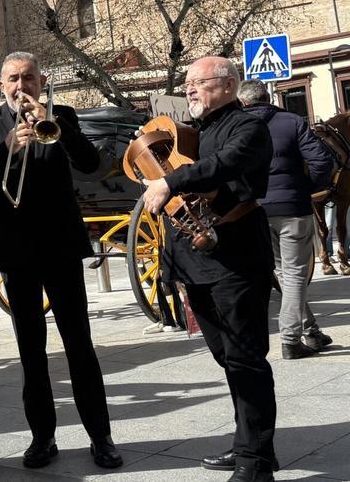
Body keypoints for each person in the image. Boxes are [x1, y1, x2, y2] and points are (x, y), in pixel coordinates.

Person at [0, 51, 122, 471]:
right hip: (15, 247)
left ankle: (101, 437)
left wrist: (58, 127)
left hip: (61, 243)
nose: (21, 86)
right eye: (13, 79)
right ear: (1, 85)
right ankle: (42, 438)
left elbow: (90, 165)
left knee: (79, 344)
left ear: (42, 80)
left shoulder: (62, 114)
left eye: (28, 78)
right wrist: (7, 146)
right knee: (30, 349)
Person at [142, 57, 276, 482]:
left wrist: (170, 182)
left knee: (245, 358)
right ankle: (250, 446)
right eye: (187, 84)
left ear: (227, 85)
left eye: (197, 83)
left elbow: (226, 164)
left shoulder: (247, 126)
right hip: (198, 261)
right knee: (227, 357)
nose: (189, 90)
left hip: (235, 257)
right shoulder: (198, 132)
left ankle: (255, 464)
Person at [239, 79, 335, 358]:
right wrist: (307, 188)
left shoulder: (235, 127)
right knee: (294, 274)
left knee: (283, 272)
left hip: (253, 210)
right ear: (268, 97)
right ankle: (291, 340)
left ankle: (312, 331)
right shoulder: (291, 121)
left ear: (243, 102)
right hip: (292, 208)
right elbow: (322, 161)